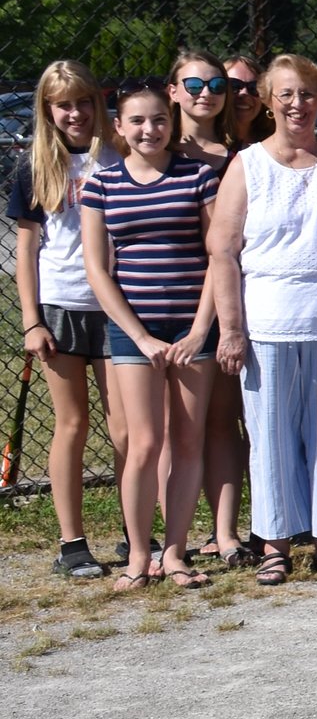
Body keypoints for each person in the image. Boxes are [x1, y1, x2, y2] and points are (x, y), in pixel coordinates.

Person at [206, 55, 317, 585]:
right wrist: (231, 329)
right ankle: (274, 542)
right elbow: (224, 251)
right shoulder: (248, 165)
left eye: (308, 93)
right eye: (286, 94)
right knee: (270, 435)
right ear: (269, 101)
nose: (298, 104)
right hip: (268, 327)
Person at [80, 81, 218, 592]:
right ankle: (139, 555)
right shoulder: (101, 186)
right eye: (137, 121)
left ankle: (176, 552)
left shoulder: (198, 178)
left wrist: (201, 328)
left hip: (190, 330)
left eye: (159, 120)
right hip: (132, 333)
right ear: (118, 127)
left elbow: (217, 259)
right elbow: (98, 270)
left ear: (172, 122)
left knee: (187, 440)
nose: (149, 129)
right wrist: (138, 337)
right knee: (142, 443)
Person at [9, 59, 125, 578]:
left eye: (83, 102)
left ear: (97, 104)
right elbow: (28, 250)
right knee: (72, 424)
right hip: (62, 309)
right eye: (64, 105)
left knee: (125, 429)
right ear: (47, 110)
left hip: (118, 307)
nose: (75, 113)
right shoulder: (36, 166)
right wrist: (32, 320)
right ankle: (72, 543)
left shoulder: (118, 155)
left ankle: (133, 530)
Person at [170, 47, 248, 567]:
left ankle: (225, 534)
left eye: (217, 86)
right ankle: (166, 536)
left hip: (227, 304)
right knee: (170, 430)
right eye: (195, 85)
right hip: (163, 303)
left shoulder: (240, 157)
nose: (206, 94)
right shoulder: (148, 145)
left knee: (223, 421)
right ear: (173, 90)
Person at [223, 54, 270, 143]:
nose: (244, 93)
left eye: (253, 87)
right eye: (234, 86)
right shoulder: (206, 145)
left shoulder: (273, 144)